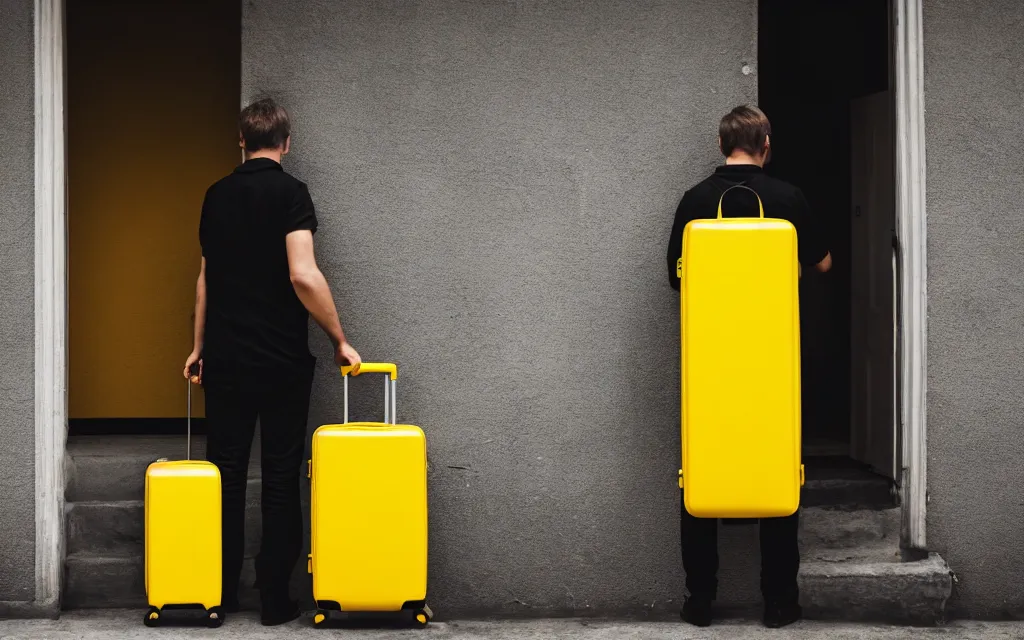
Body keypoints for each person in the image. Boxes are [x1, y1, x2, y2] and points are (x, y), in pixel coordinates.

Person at [183, 98, 362, 626]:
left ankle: (220, 592)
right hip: (282, 360)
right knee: (281, 475)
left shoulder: (216, 196)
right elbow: (303, 274)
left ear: (240, 140)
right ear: (287, 142)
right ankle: (276, 599)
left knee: (226, 472)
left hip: (227, 360)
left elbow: (205, 281)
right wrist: (339, 339)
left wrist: (198, 349)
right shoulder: (292, 193)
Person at [666, 105, 832, 629]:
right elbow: (822, 263)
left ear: (721, 145)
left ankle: (700, 600)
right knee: (776, 474)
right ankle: (779, 602)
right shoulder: (787, 198)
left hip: (709, 360)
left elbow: (675, 277)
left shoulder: (695, 200)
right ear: (766, 144)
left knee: (702, 474)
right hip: (771, 360)